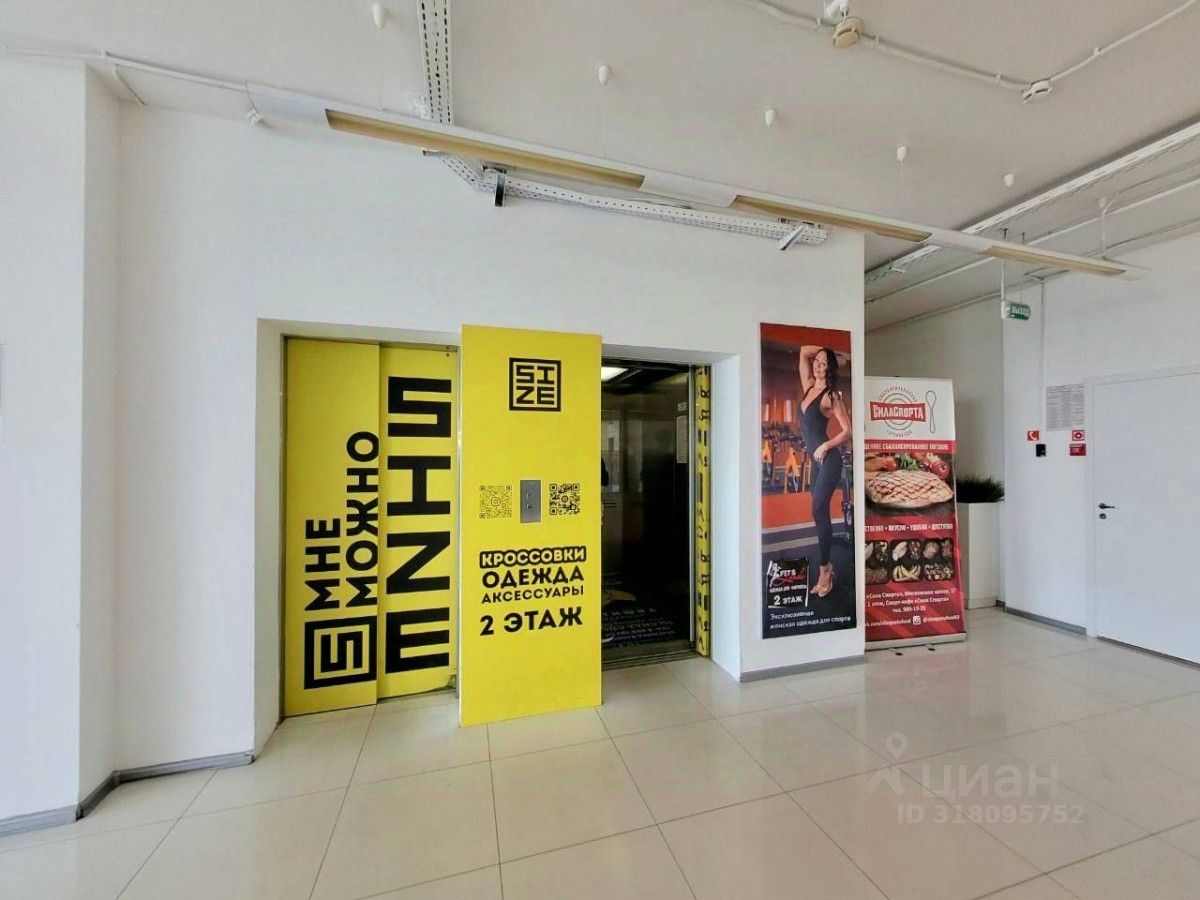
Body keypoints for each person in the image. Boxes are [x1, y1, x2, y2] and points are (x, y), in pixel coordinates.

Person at [799, 346, 852, 597]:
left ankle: (824, 570)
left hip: (829, 459)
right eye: (817, 362)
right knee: (819, 514)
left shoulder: (831, 396)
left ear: (830, 369)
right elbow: (803, 351)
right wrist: (826, 350)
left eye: (824, 363)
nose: (819, 366)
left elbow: (847, 430)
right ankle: (827, 566)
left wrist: (826, 446)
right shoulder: (808, 386)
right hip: (816, 461)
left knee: (818, 508)